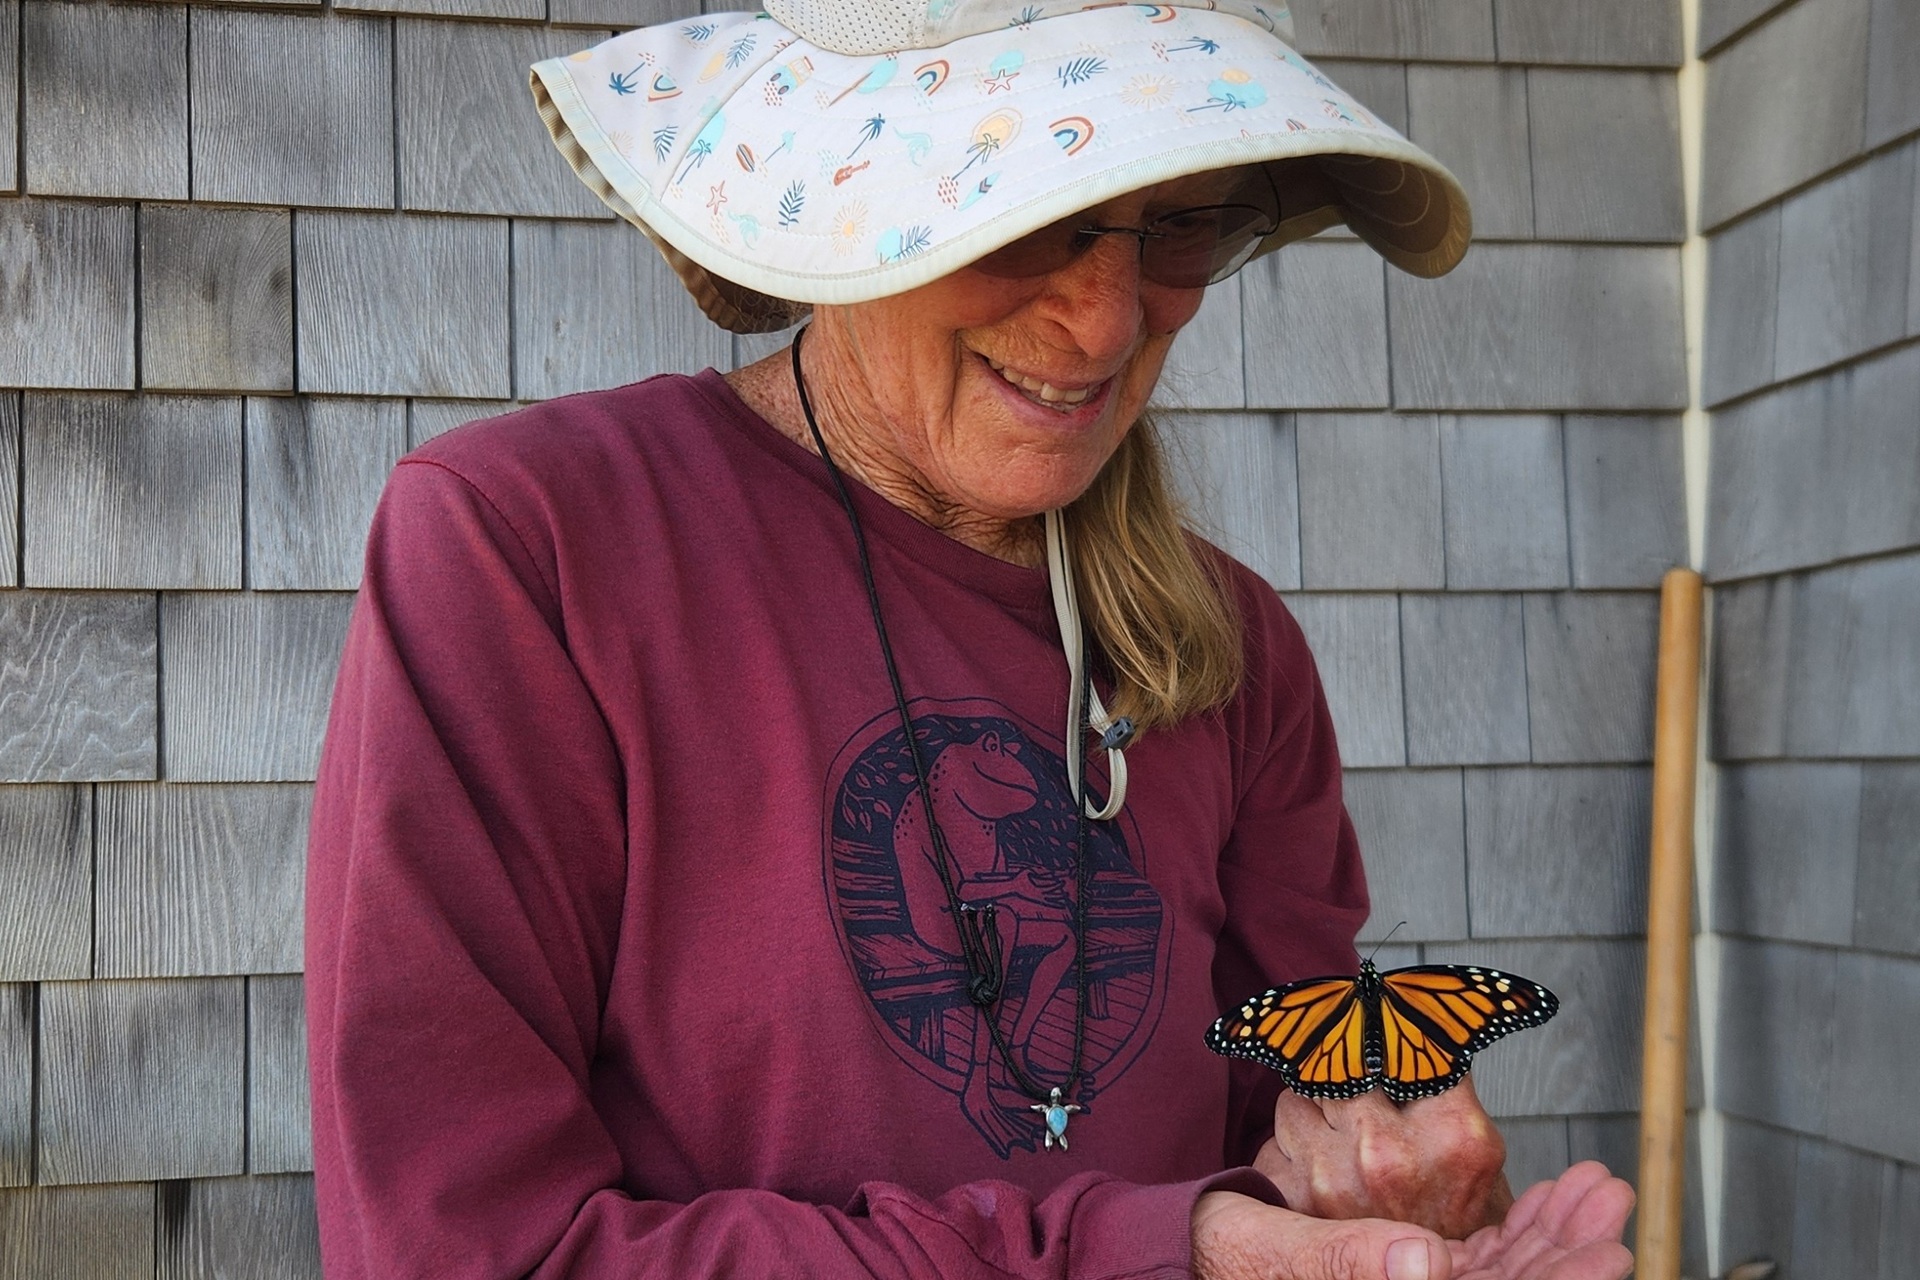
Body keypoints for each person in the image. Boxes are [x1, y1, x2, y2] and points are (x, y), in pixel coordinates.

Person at [304, 1, 1635, 1276]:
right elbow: (469, 1250)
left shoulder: (1231, 651)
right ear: (849, 201)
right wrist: (1146, 1255)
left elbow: (1293, 1151)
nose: (1111, 322)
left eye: (1179, 228)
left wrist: (1401, 1220)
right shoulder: (535, 547)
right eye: (1031, 220)